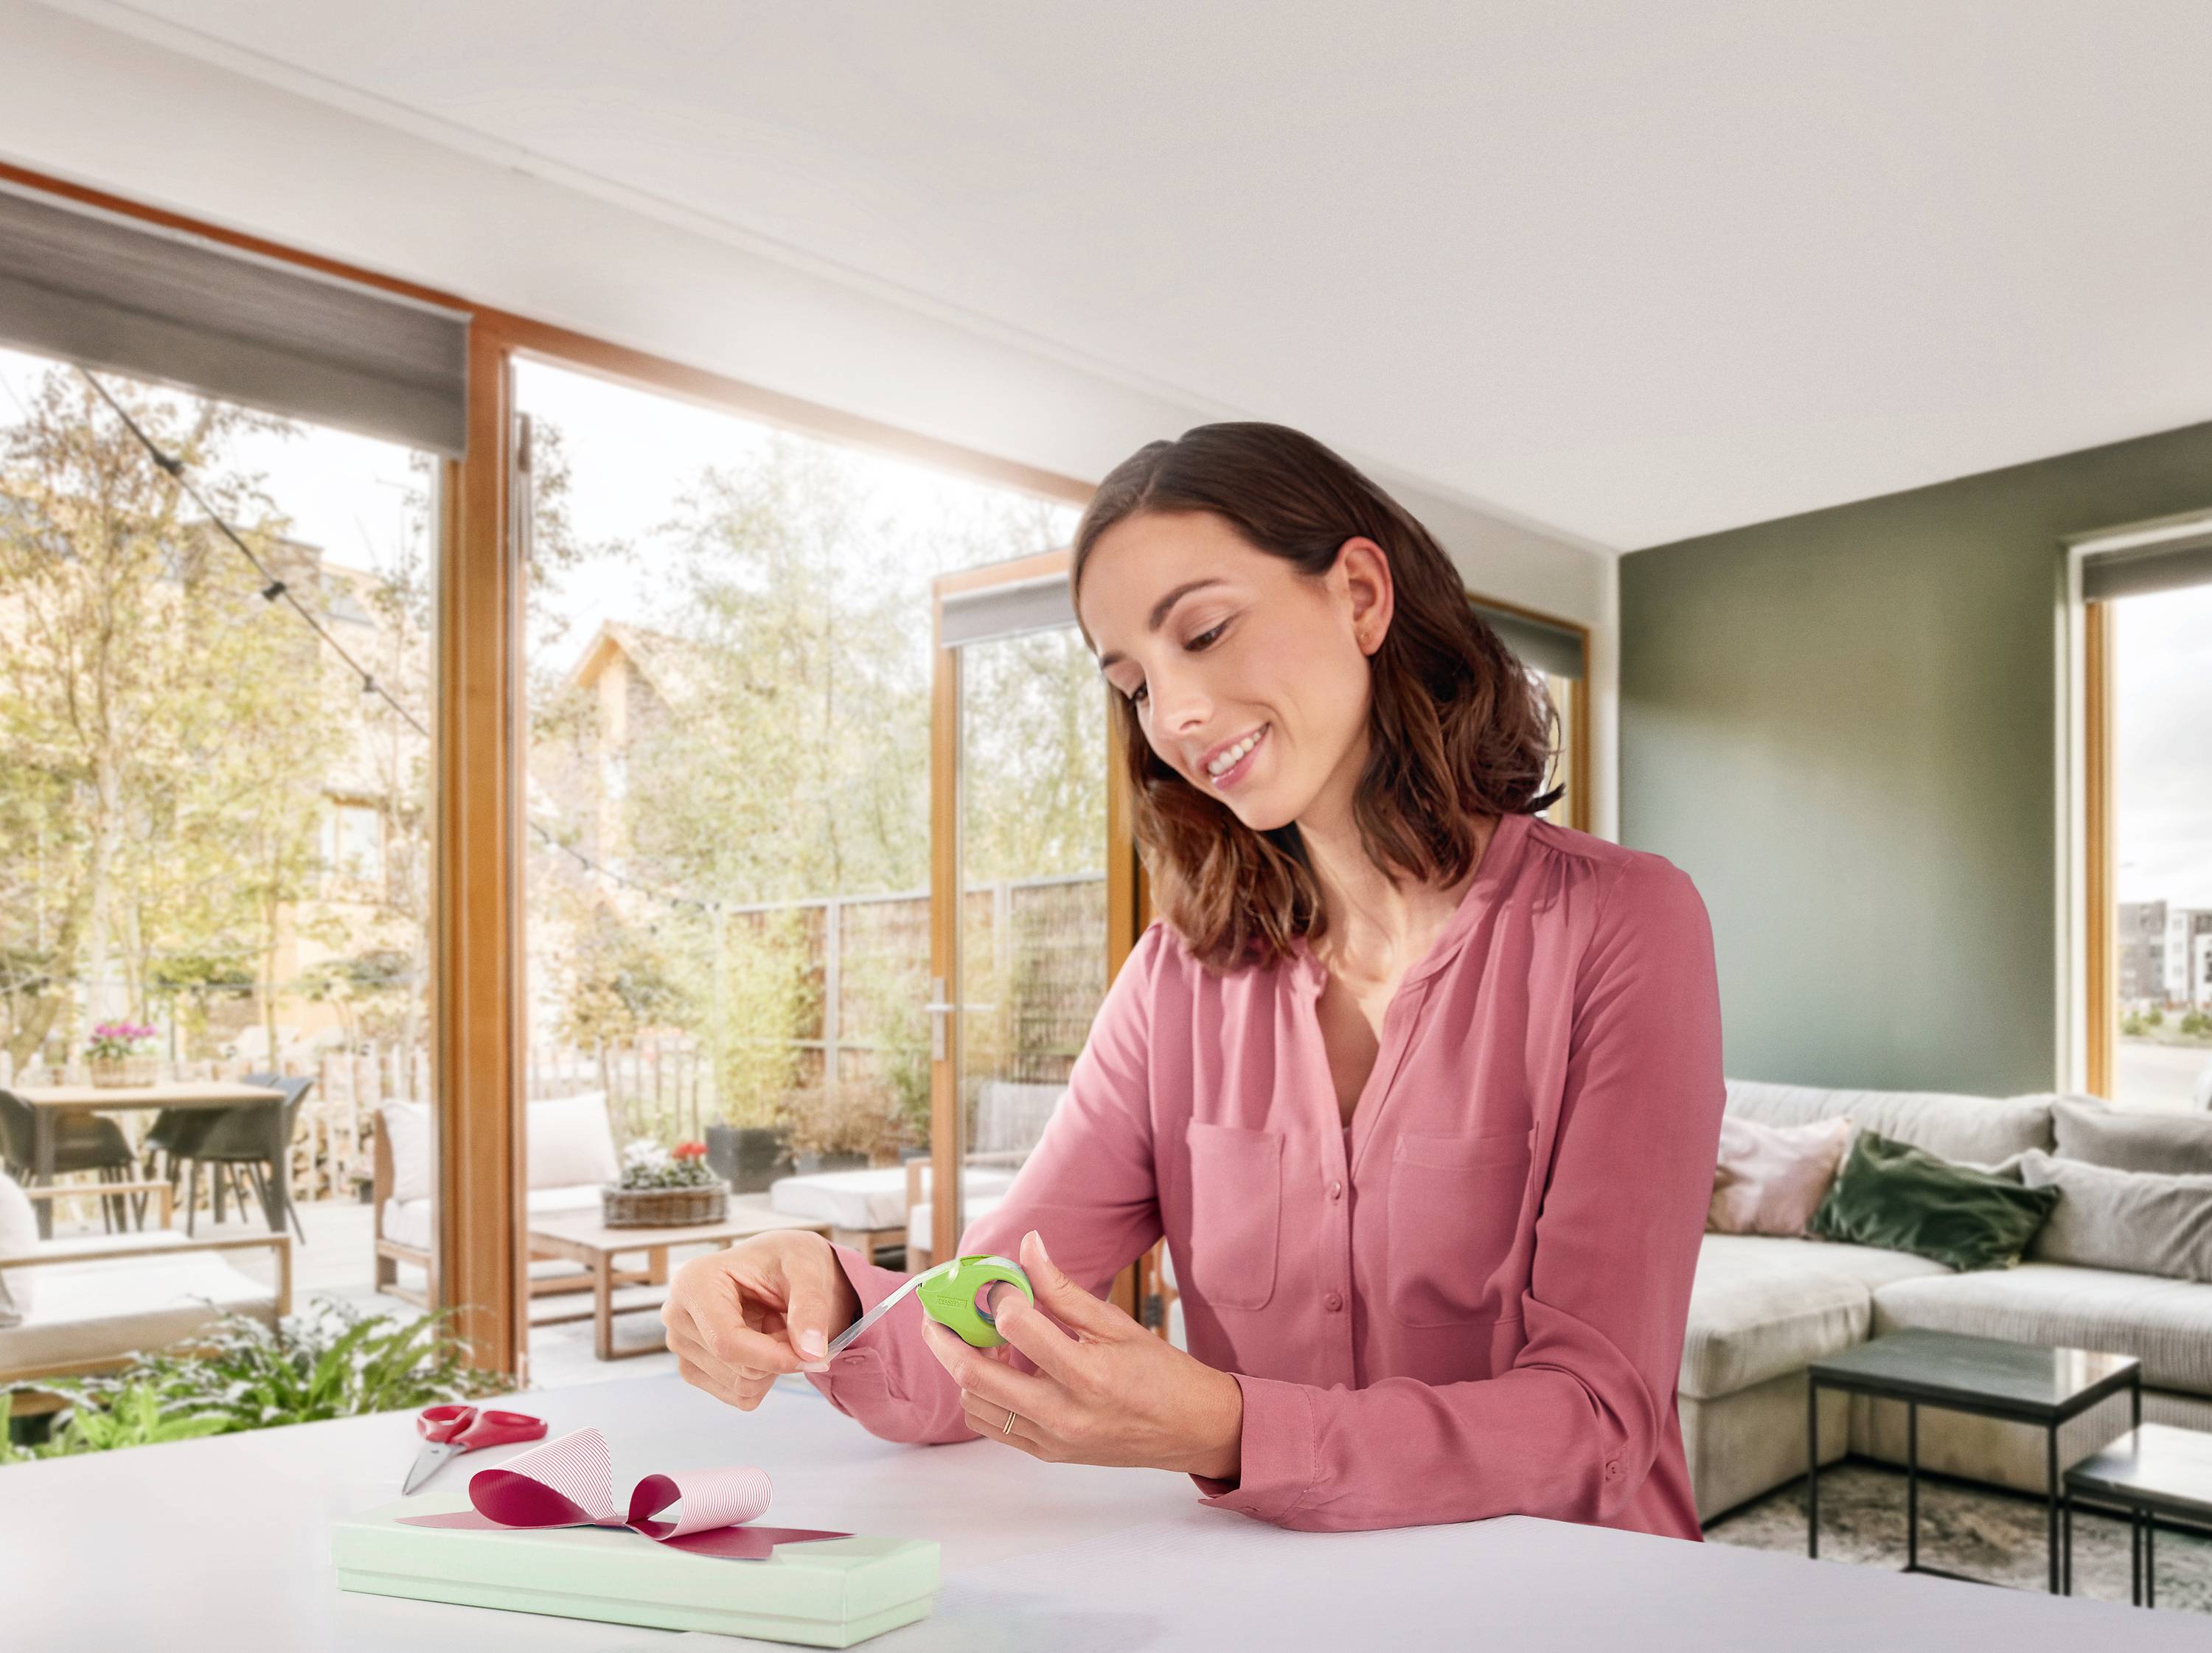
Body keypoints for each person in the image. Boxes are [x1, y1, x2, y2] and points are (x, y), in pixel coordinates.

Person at [663, 422, 1725, 1539]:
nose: (1172, 716)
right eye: (1132, 683)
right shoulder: (1179, 980)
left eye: (1205, 632)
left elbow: (1598, 1417)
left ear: (1361, 595)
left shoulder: (1621, 924)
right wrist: (826, 1298)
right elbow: (988, 1322)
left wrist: (1225, 1424)